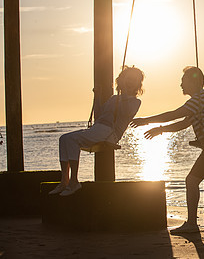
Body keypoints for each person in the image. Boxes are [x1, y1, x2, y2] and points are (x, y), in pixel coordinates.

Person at [131, 66, 204, 234]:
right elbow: (184, 123)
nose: (181, 85)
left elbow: (174, 114)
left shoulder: (198, 99)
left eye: (184, 81)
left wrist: (147, 121)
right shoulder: (202, 99)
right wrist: (160, 130)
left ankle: (193, 223)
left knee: (192, 181)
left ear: (195, 82)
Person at [49, 65, 144, 196]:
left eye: (134, 80)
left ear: (138, 85)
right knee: (63, 139)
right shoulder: (113, 99)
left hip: (110, 133)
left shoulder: (135, 102)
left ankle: (74, 181)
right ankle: (64, 181)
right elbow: (99, 114)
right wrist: (97, 96)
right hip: (98, 128)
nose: (130, 82)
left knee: (72, 140)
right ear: (122, 80)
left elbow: (125, 112)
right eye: (128, 79)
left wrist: (124, 94)